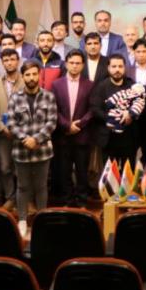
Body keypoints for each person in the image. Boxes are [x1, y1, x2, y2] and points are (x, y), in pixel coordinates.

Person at [8, 60, 58, 236]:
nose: (31, 78)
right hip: (21, 150)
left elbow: (52, 122)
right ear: (23, 77)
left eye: (34, 74)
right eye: (27, 74)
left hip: (42, 150)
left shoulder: (48, 96)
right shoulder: (15, 97)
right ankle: (22, 220)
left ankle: (41, 220)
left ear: (39, 75)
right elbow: (11, 123)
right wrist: (25, 139)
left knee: (41, 187)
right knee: (22, 187)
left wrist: (36, 139)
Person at [51, 50, 94, 207]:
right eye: (72, 63)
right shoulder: (56, 84)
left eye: (78, 63)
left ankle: (82, 201)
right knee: (64, 172)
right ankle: (67, 201)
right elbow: (53, 109)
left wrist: (79, 124)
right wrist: (67, 125)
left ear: (82, 65)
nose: (75, 66)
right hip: (63, 135)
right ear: (66, 64)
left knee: (82, 171)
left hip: (82, 136)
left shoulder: (90, 85)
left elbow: (92, 109)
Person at [90, 54, 144, 164]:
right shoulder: (101, 87)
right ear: (108, 68)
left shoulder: (132, 85)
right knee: (109, 172)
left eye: (120, 66)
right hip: (108, 138)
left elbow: (141, 104)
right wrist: (112, 118)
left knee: (128, 172)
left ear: (125, 68)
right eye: (114, 66)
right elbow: (95, 109)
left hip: (129, 139)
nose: (117, 70)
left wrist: (130, 114)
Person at [0, 48, 23, 210]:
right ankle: (10, 197)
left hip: (23, 133)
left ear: (18, 61)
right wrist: (2, 128)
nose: (9, 63)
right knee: (4, 167)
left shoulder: (26, 79)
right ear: (2, 63)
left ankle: (22, 199)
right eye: (6, 60)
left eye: (12, 59)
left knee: (21, 168)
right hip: (3, 134)